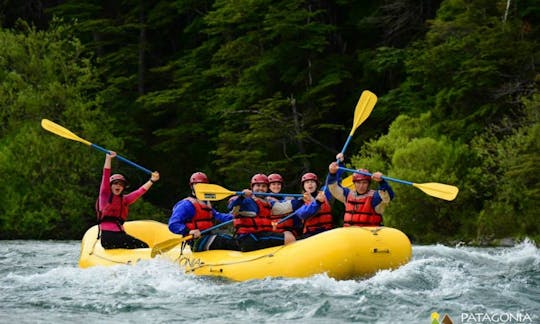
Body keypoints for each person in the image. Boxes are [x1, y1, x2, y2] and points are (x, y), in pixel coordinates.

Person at [96, 151, 160, 249]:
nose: (118, 186)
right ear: (110, 186)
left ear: (123, 188)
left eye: (121, 184)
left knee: (139, 244)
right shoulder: (105, 195)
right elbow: (105, 175)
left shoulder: (125, 200)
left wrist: (152, 180)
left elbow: (140, 191)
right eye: (116, 183)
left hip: (119, 235)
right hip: (108, 236)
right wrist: (108, 158)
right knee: (144, 246)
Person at [168, 172, 238, 251]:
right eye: (197, 185)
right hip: (196, 241)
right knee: (225, 242)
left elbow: (219, 216)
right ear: (192, 186)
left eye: (203, 185)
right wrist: (189, 231)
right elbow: (173, 224)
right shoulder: (186, 205)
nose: (200, 188)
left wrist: (235, 216)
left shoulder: (205, 203)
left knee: (233, 240)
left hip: (209, 235)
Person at [228, 174, 298, 252]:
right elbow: (233, 209)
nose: (260, 188)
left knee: (288, 235)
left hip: (260, 235)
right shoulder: (247, 200)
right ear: (252, 187)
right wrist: (241, 197)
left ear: (267, 188)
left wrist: (302, 201)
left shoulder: (267, 203)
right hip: (249, 238)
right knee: (289, 238)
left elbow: (285, 207)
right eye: (258, 185)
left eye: (263, 186)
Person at [327, 159, 394, 227]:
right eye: (358, 183)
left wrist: (382, 182)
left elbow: (388, 197)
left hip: (369, 234)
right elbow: (333, 188)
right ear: (354, 183)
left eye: (364, 183)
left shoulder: (374, 197)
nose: (361, 186)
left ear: (368, 184)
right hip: (350, 233)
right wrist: (332, 173)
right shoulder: (347, 194)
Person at [293, 172, 334, 238]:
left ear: (316, 184)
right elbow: (303, 214)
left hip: (327, 231)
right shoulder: (299, 201)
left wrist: (333, 172)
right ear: (303, 186)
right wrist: (317, 202)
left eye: (312, 182)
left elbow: (333, 183)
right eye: (307, 182)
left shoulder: (324, 195)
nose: (310, 184)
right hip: (310, 234)